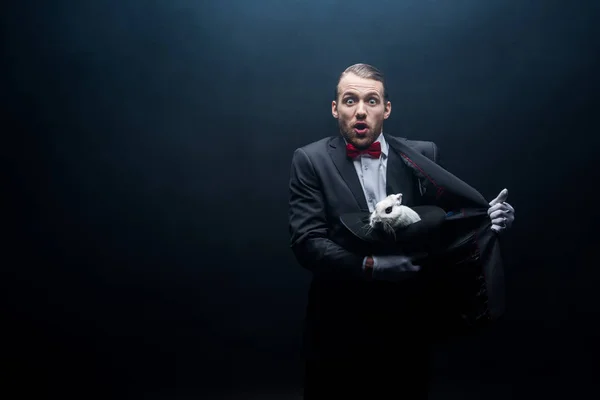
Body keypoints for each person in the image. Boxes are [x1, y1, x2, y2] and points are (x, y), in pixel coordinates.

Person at [288, 63, 515, 399]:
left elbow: (444, 223)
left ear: (387, 108)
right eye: (350, 101)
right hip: (336, 322)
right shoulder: (309, 159)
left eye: (372, 101)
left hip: (406, 322)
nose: (361, 111)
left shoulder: (422, 155)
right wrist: (371, 266)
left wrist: (491, 218)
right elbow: (306, 241)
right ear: (336, 109)